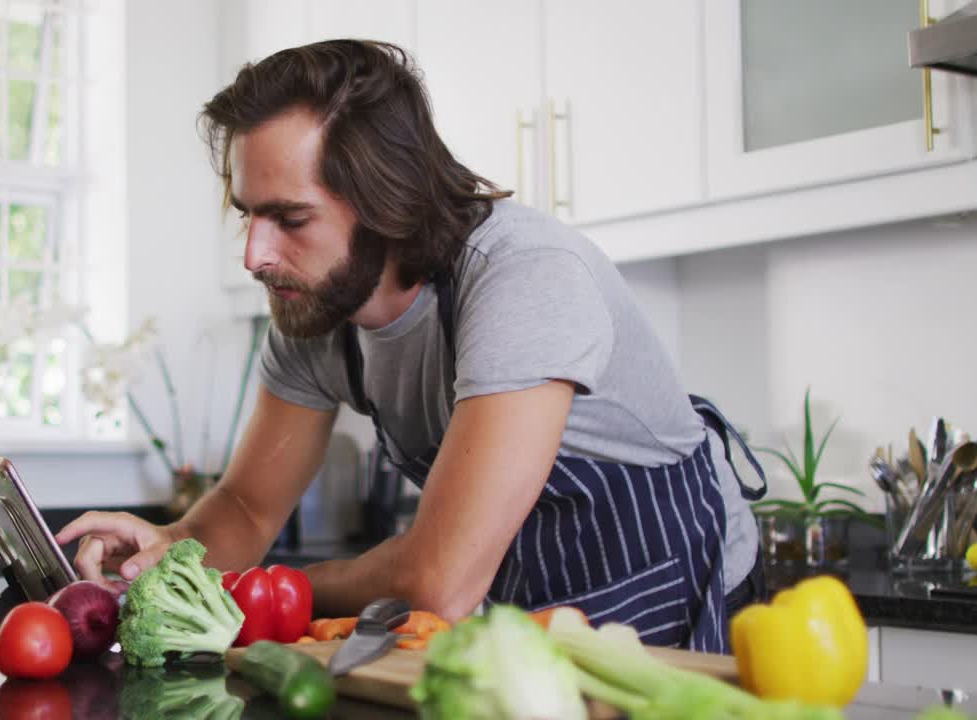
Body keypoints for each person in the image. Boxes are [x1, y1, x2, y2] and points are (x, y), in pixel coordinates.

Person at [57, 39, 767, 652]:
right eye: (248, 215)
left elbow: (439, 580)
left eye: (290, 218)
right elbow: (245, 509)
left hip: (676, 594)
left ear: (388, 199)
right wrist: (165, 548)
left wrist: (262, 593)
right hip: (524, 609)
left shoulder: (526, 277)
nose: (254, 255)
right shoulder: (316, 307)